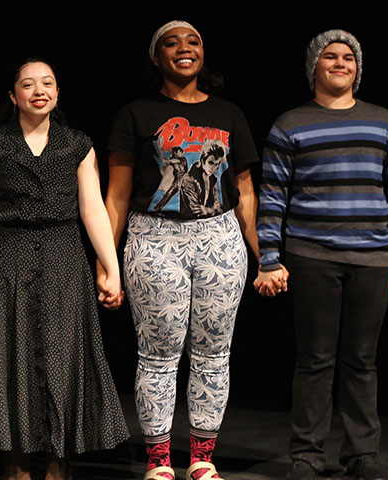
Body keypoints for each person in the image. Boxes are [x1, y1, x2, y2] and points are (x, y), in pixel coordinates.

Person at [0, 59, 129, 480]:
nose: (38, 90)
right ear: (14, 96)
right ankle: (17, 459)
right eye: (28, 84)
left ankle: (60, 460)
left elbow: (93, 209)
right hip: (6, 256)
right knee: (11, 356)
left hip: (63, 256)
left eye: (47, 83)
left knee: (65, 360)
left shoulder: (77, 145)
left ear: (58, 93)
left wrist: (111, 268)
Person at [254, 30, 388, 480]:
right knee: (315, 359)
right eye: (330, 56)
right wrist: (269, 256)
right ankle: (306, 456)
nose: (340, 63)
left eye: (348, 57)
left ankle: (362, 455)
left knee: (362, 360)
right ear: (314, 68)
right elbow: (272, 197)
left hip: (374, 257)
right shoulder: (290, 123)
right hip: (312, 255)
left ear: (357, 69)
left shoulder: (384, 122)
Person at [102, 20, 260, 480]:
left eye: (193, 42)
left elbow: (246, 190)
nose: (184, 49)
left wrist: (264, 254)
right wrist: (107, 261)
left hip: (219, 238)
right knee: (158, 355)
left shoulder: (229, 113)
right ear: (157, 58)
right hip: (155, 239)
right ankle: (158, 462)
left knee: (214, 355)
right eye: (171, 43)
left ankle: (203, 458)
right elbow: (115, 195)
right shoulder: (136, 113)